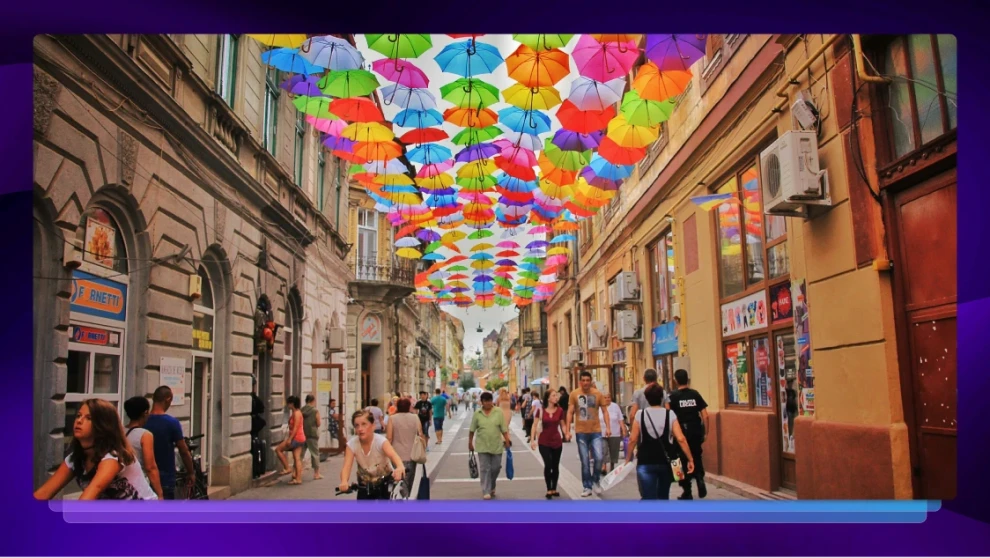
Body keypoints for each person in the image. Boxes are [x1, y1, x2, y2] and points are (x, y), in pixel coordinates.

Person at [34, 399, 157, 500]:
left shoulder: (113, 457)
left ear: (103, 425)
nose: (79, 421)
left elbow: (91, 493)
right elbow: (44, 492)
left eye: (88, 418)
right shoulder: (75, 459)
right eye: (78, 415)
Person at [625, 384, 694, 500]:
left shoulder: (640, 414)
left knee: (648, 497)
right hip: (665, 462)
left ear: (646, 398)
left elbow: (633, 439)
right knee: (663, 496)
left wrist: (628, 458)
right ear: (662, 398)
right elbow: (681, 438)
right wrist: (690, 459)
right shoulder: (670, 414)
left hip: (645, 461)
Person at [339, 410, 405, 499]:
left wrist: (400, 467)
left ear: (373, 426)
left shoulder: (380, 441)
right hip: (365, 485)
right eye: (356, 425)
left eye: (364, 424)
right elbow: (346, 466)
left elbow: (394, 456)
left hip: (384, 483)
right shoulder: (352, 444)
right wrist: (344, 481)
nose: (360, 429)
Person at [143, 386, 194, 500]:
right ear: (167, 399)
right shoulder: (171, 423)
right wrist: (191, 472)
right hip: (165, 478)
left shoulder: (143, 421)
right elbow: (183, 450)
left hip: (144, 478)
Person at [567, 371, 611, 497]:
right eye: (583, 380)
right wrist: (566, 431)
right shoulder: (574, 394)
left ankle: (595, 480)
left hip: (595, 431)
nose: (585, 383)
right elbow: (570, 412)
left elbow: (605, 411)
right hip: (581, 432)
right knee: (585, 461)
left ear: (591, 381)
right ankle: (587, 486)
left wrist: (608, 427)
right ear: (580, 381)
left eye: (588, 380)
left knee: (599, 457)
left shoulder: (597, 394)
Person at [668, 369, 709, 499]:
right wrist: (706, 432)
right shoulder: (695, 394)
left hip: (680, 432)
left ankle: (686, 490)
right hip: (695, 430)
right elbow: (705, 416)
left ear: (675, 380)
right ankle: (699, 479)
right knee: (696, 456)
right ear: (687, 379)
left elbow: (668, 415)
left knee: (677, 461)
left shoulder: (672, 396)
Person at [469, 391, 512, 500]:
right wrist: (470, 442)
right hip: (482, 445)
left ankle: (492, 485)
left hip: (496, 445)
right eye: (485, 401)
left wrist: (507, 440)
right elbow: (472, 429)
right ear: (482, 402)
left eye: (489, 401)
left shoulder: (498, 412)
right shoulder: (477, 414)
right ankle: (486, 490)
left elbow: (504, 428)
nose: (488, 403)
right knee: (484, 468)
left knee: (495, 468)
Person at [123, 396, 164, 499]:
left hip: (122, 486)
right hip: (139, 487)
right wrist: (160, 494)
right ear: (145, 412)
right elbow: (150, 467)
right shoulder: (145, 435)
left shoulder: (120, 432)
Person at [387, 397, 425, 498]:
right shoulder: (415, 417)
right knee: (409, 481)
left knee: (398, 481)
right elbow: (420, 434)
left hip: (396, 456)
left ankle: (401, 501)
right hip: (411, 455)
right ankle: (406, 500)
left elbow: (389, 438)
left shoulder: (392, 418)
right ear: (409, 406)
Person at [531, 390, 565, 499]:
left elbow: (562, 424)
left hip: (557, 441)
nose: (556, 397)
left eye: (556, 395)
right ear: (548, 398)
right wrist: (532, 440)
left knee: (555, 466)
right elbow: (534, 425)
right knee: (548, 464)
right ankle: (548, 489)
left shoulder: (560, 410)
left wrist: (567, 432)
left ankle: (554, 488)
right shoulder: (540, 410)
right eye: (554, 395)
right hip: (544, 442)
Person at [276, 396, 306, 485]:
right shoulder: (297, 412)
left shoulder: (296, 413)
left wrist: (290, 439)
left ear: (292, 404)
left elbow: (296, 427)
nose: (287, 405)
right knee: (297, 458)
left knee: (278, 450)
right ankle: (298, 478)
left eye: (288, 403)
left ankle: (287, 468)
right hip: (301, 438)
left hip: (296, 438)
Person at [598, 393, 627, 475]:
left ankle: (612, 466)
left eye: (608, 397)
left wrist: (623, 429)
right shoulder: (599, 407)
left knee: (613, 450)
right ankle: (604, 466)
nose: (607, 399)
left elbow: (620, 419)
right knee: (604, 449)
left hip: (615, 432)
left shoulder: (615, 406)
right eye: (605, 397)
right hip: (602, 432)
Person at [301, 395, 323, 480]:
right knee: (315, 454)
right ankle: (316, 473)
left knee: (300, 454)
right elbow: (318, 423)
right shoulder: (315, 410)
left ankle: (297, 472)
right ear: (313, 400)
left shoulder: (302, 410)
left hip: (303, 433)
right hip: (312, 434)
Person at [250, 377, 266, 479]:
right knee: (254, 445)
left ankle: (256, 468)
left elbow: (261, 408)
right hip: (253, 427)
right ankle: (255, 469)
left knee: (254, 445)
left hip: (253, 427)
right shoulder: (253, 398)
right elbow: (262, 408)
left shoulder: (254, 398)